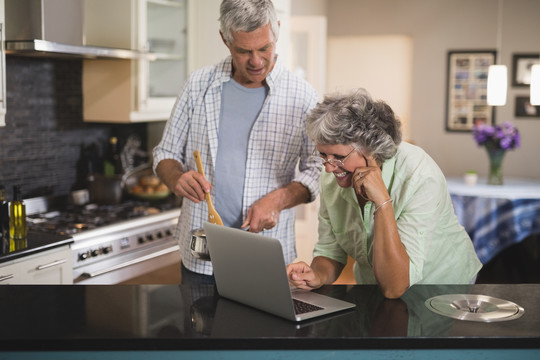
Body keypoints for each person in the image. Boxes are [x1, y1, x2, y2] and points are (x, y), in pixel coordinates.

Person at [153, 0, 321, 284]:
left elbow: (317, 169)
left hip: (266, 257)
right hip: (202, 258)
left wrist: (279, 200)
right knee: (200, 329)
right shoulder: (198, 85)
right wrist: (176, 178)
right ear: (225, 40)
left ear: (276, 31)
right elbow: (165, 153)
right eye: (244, 51)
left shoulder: (303, 97)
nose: (256, 61)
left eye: (264, 48)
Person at [287, 89, 482, 299]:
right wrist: (317, 275)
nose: (328, 168)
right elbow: (330, 250)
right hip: (376, 285)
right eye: (323, 155)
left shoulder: (419, 175)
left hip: (440, 285)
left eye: (339, 157)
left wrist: (382, 202)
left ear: (371, 149)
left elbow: (395, 286)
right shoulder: (332, 177)